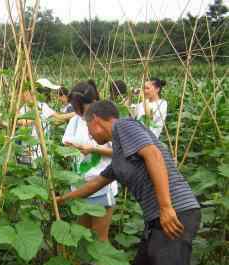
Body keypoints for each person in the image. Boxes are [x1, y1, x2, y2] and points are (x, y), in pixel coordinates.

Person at [57, 100, 201, 265]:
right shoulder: (119, 155)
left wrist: (166, 207)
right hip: (157, 219)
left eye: (88, 129)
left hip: (175, 212)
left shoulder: (123, 126)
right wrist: (62, 199)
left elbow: (153, 155)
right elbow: (95, 184)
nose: (90, 135)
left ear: (96, 121)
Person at [62, 80, 117, 241]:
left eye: (79, 107)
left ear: (92, 103)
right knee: (81, 238)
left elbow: (119, 152)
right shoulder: (75, 120)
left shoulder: (104, 120)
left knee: (100, 240)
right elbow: (65, 142)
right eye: (75, 107)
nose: (78, 112)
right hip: (79, 186)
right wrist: (72, 146)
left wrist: (93, 149)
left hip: (100, 187)